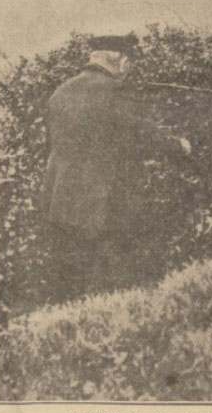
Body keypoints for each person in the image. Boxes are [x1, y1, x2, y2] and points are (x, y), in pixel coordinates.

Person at [39, 34, 191, 301]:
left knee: (68, 286)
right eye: (129, 63)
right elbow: (140, 134)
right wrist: (179, 146)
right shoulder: (113, 91)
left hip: (59, 202)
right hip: (100, 204)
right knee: (113, 285)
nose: (129, 70)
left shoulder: (59, 92)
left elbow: (50, 146)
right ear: (119, 60)